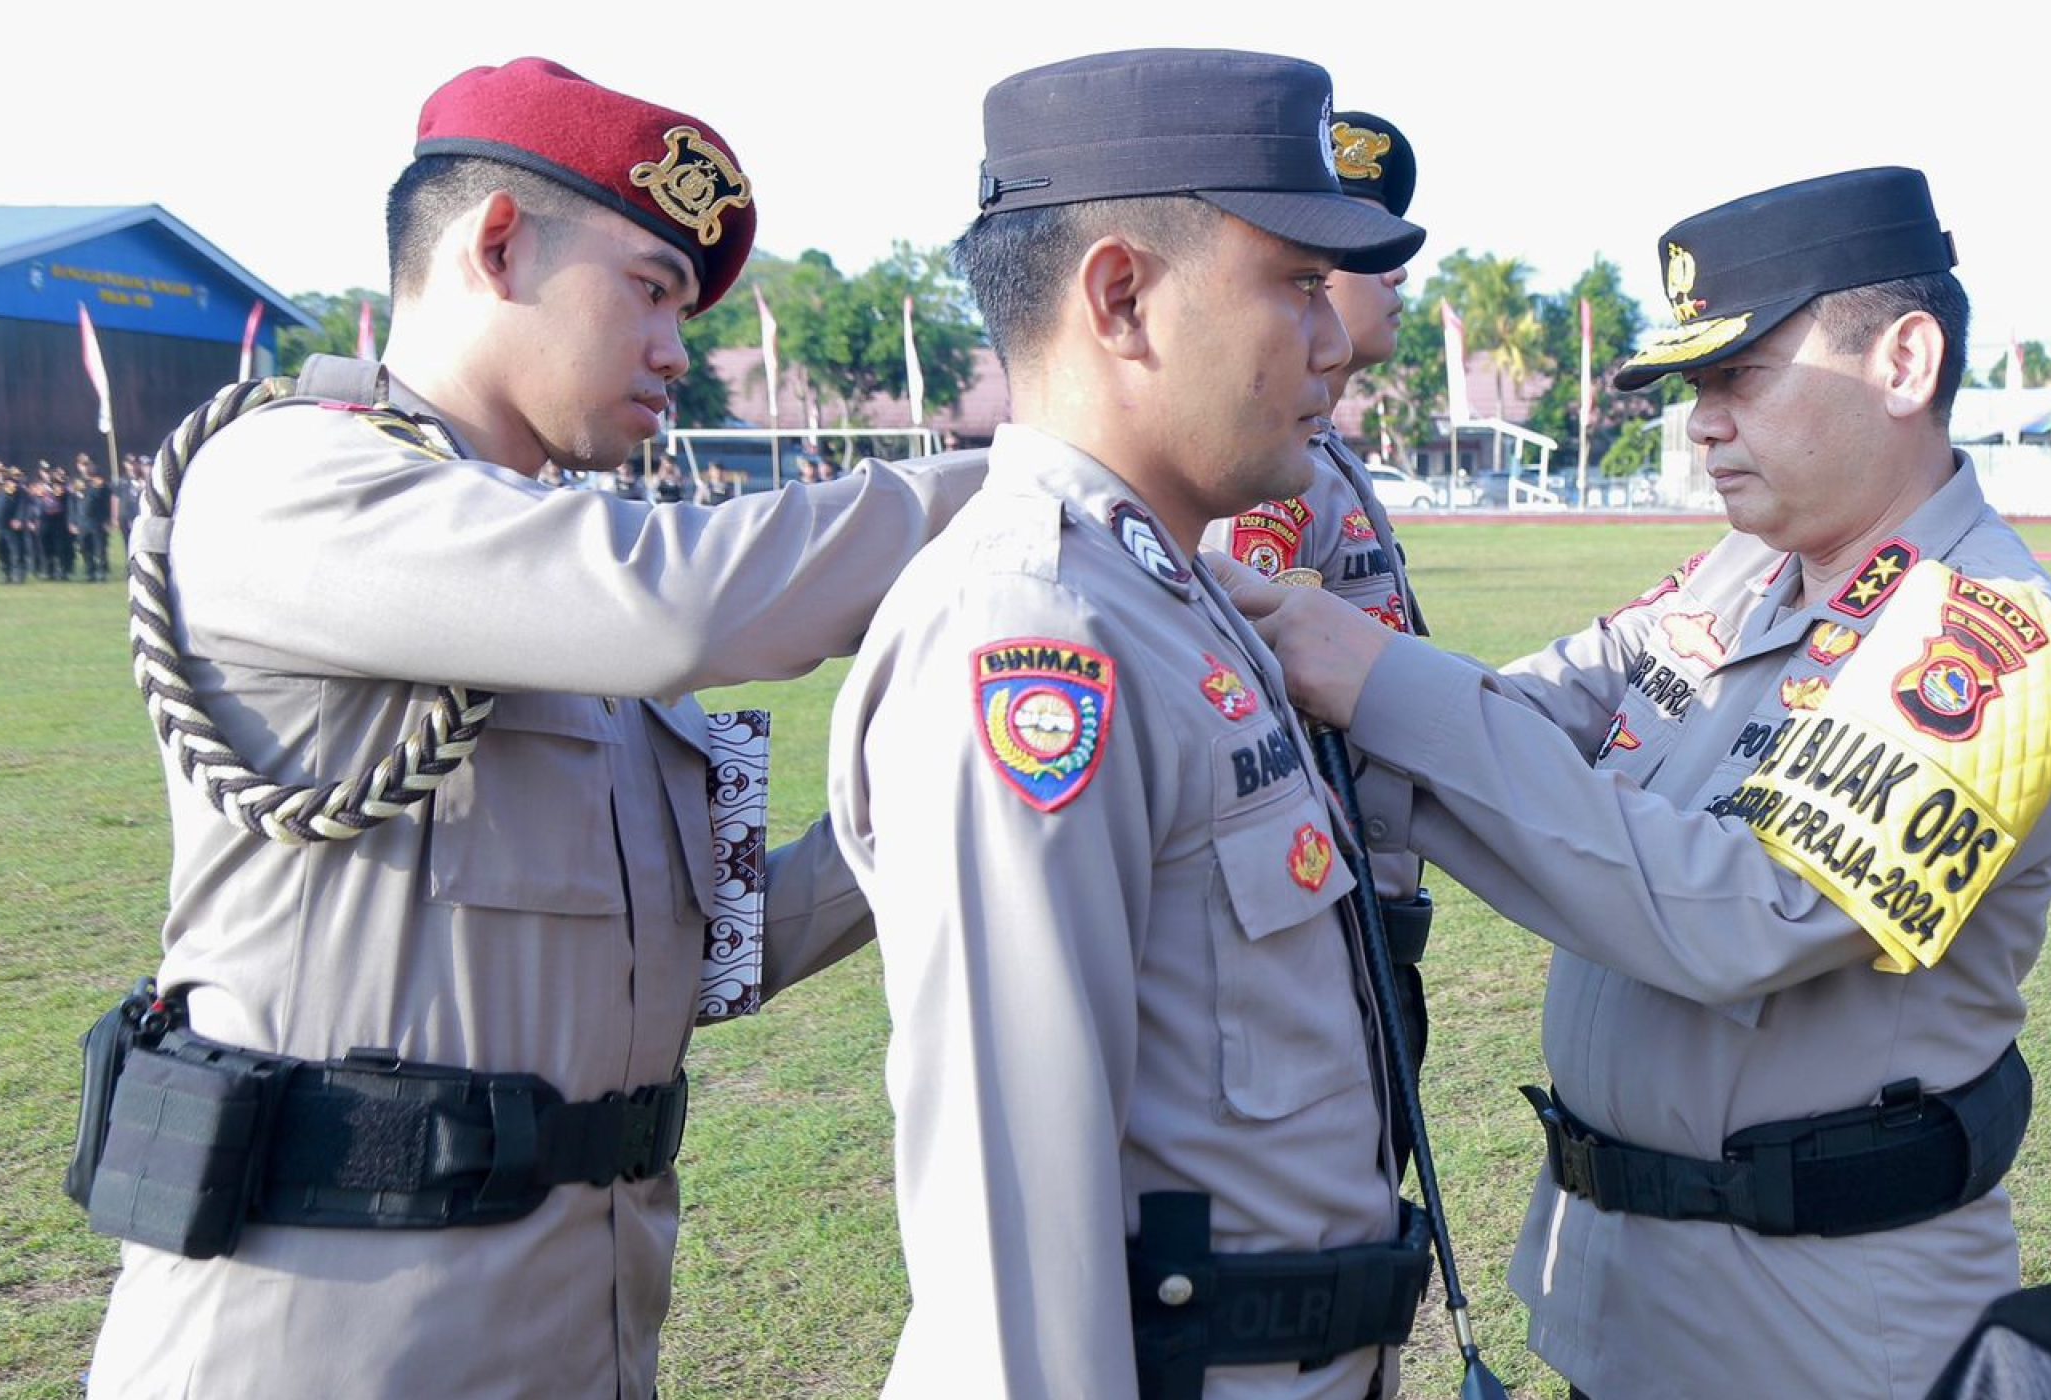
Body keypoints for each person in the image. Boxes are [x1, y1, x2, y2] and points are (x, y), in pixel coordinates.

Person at [83, 56, 981, 1399]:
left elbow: (717, 956)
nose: (679, 348)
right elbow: (680, 605)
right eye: (653, 289)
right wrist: (1044, 481)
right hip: (323, 1341)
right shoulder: (291, 482)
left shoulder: (570, 589)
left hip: (586, 1324)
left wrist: (959, 773)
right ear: (498, 246)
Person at [1231, 167, 2051, 1398]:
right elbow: (1524, 713)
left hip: (1821, 1335)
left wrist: (1376, 679)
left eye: (1739, 374)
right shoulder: (1742, 576)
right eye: (1698, 384)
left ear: (1904, 362)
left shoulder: (1981, 633)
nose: (1701, 420)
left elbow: (1741, 916)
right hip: (1635, 1298)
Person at [828, 48, 1430, 1399]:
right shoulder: (1037, 632)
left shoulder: (1162, 589)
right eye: (1293, 284)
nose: (1333, 337)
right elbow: (1015, 1273)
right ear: (1122, 297)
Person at [1201, 106, 1437, 1087]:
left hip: (1368, 900)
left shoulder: (1325, 448)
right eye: (1356, 251)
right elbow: (1267, 689)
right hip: (1326, 907)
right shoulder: (1272, 465)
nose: (1394, 275)